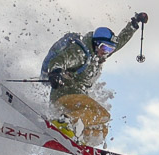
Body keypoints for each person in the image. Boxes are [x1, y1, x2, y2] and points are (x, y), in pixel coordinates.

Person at [41, 12, 148, 145]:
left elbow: (120, 42)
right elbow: (60, 60)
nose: (106, 52)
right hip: (65, 94)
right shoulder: (81, 53)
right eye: (104, 47)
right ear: (96, 43)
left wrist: (133, 24)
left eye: (110, 49)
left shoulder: (98, 55)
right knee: (101, 114)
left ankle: (79, 140)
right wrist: (55, 72)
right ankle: (64, 124)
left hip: (76, 100)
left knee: (101, 128)